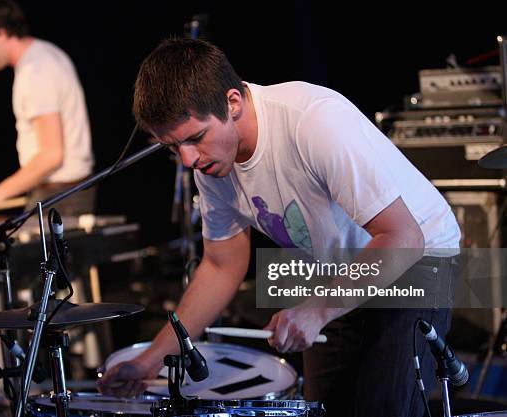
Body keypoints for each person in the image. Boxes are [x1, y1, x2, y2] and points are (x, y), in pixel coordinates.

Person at [98, 38, 461, 417]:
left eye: (194, 138)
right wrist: (151, 359)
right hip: (341, 271)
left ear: (232, 103)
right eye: (173, 147)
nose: (187, 159)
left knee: (384, 407)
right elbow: (222, 265)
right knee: (320, 410)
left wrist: (318, 310)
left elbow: (404, 237)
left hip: (417, 259)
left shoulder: (314, 122)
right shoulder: (212, 161)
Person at [0, 0, 95, 216]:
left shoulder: (35, 72)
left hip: (61, 195)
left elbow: (51, 154)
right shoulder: (45, 53)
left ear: (0, 33)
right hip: (66, 191)